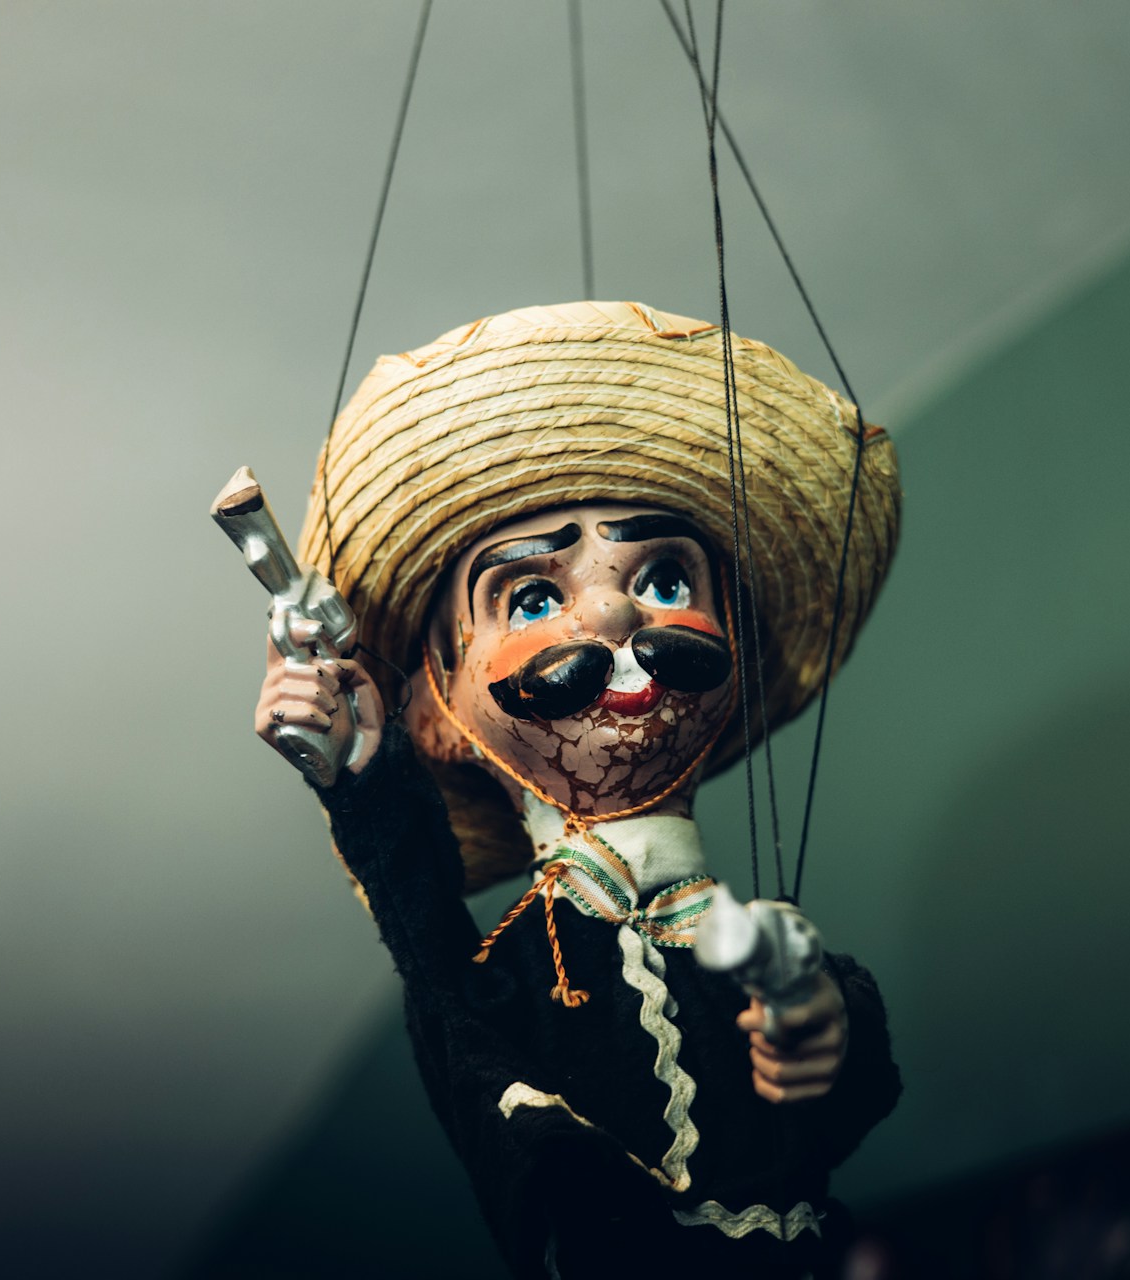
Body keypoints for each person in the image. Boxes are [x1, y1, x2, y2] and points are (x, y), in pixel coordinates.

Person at [250, 301, 904, 1277]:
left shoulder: (758, 946)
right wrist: (362, 777)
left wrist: (828, 1025)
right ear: (437, 712)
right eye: (533, 596)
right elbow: (440, 981)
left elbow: (847, 1087)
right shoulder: (514, 974)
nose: (611, 611)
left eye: (666, 580)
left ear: (738, 660)